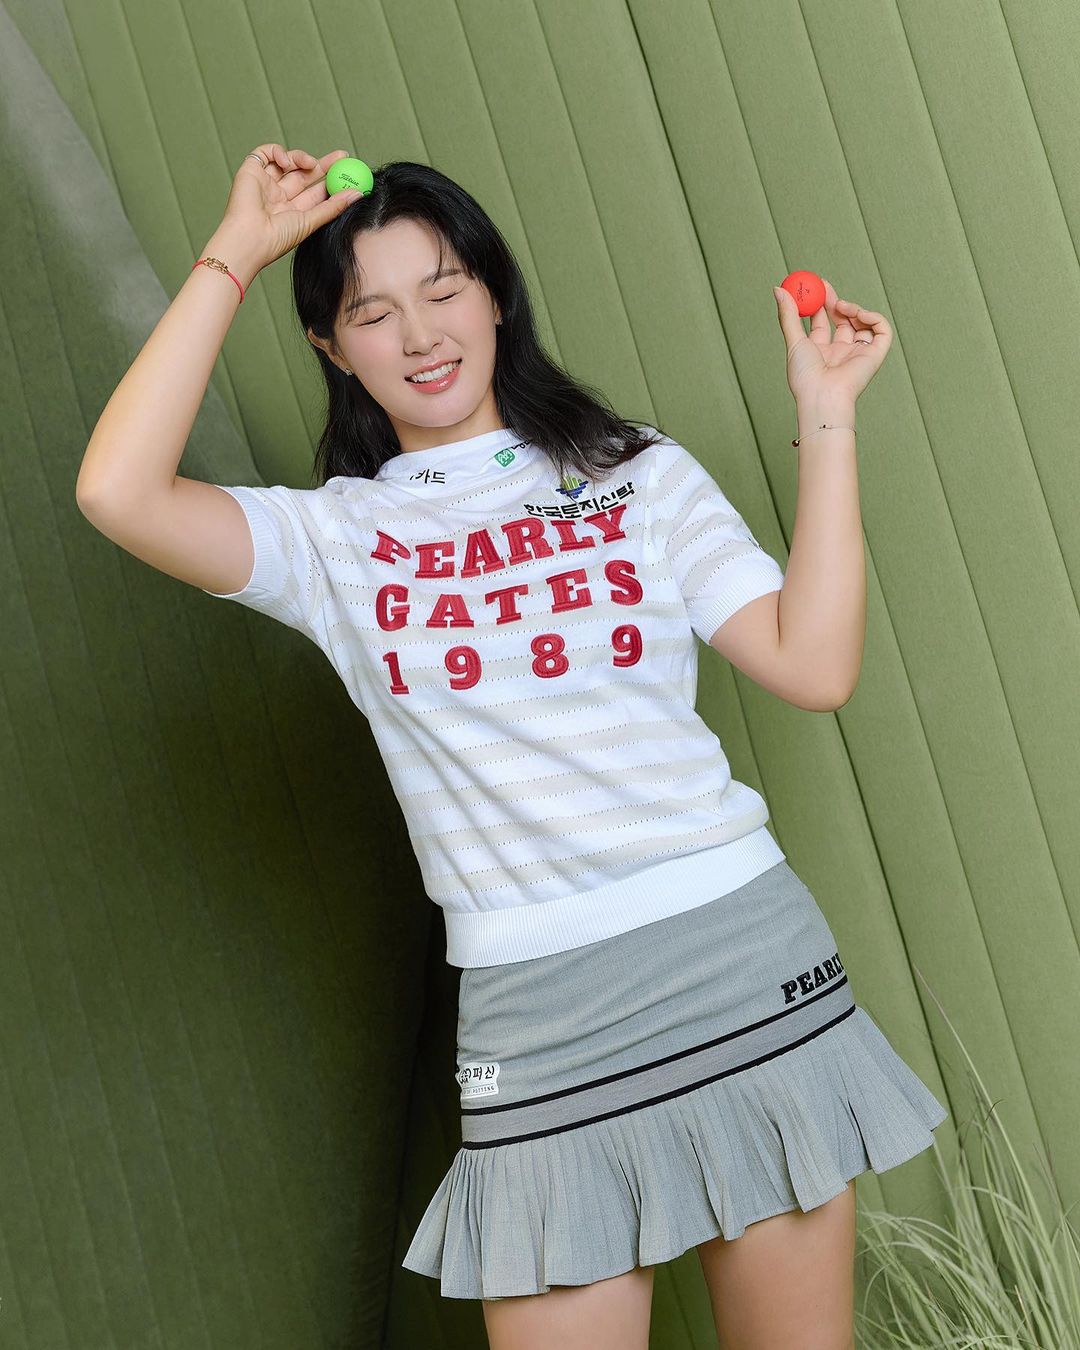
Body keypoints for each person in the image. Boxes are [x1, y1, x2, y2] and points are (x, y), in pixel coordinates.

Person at [76, 144, 948, 1350]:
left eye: (444, 288)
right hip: (535, 1012)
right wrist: (238, 249)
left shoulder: (633, 473)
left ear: (495, 295)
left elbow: (814, 664)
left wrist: (829, 418)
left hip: (742, 960)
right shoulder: (335, 541)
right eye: (372, 312)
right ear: (331, 347)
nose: (420, 333)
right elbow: (117, 491)